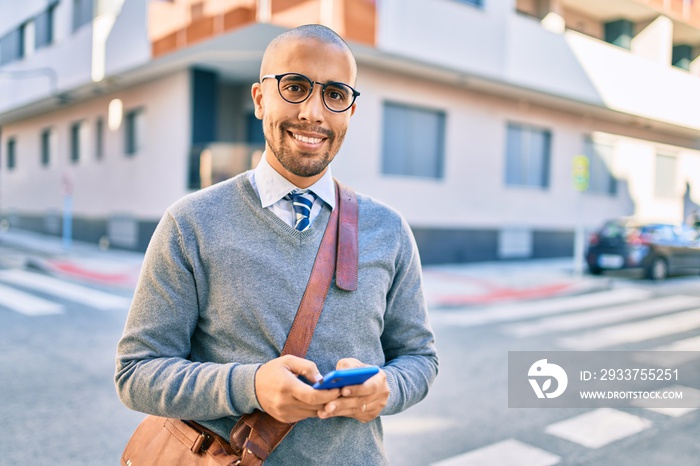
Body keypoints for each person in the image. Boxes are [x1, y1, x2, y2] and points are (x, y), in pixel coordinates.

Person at [115, 24, 438, 465]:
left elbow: (419, 358)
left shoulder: (389, 230)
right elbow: (137, 373)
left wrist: (388, 388)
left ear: (350, 111)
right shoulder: (190, 224)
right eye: (296, 87)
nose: (313, 113)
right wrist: (250, 386)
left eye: (335, 95)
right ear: (260, 98)